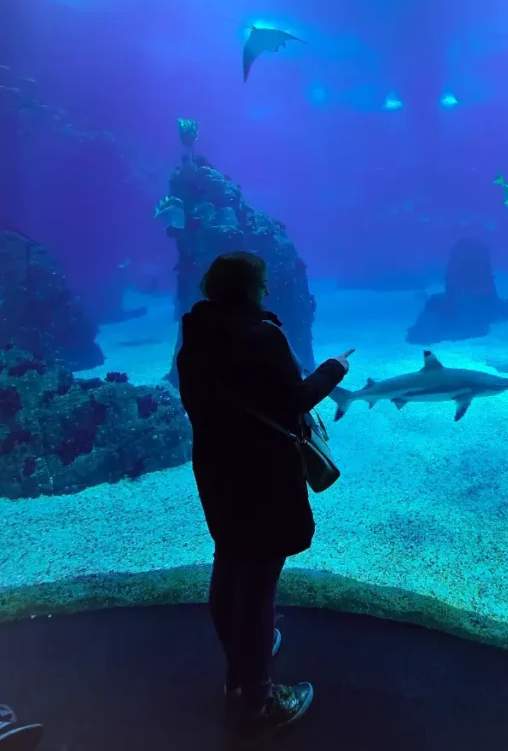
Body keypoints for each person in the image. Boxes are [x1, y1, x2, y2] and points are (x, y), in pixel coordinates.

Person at [176, 251, 352, 742]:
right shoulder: (261, 335)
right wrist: (333, 369)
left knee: (230, 559)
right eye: (263, 284)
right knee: (259, 583)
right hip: (263, 473)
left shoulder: (195, 333)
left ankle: (243, 655)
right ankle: (258, 698)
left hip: (217, 466)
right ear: (254, 288)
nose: (267, 291)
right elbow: (292, 399)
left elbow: (201, 401)